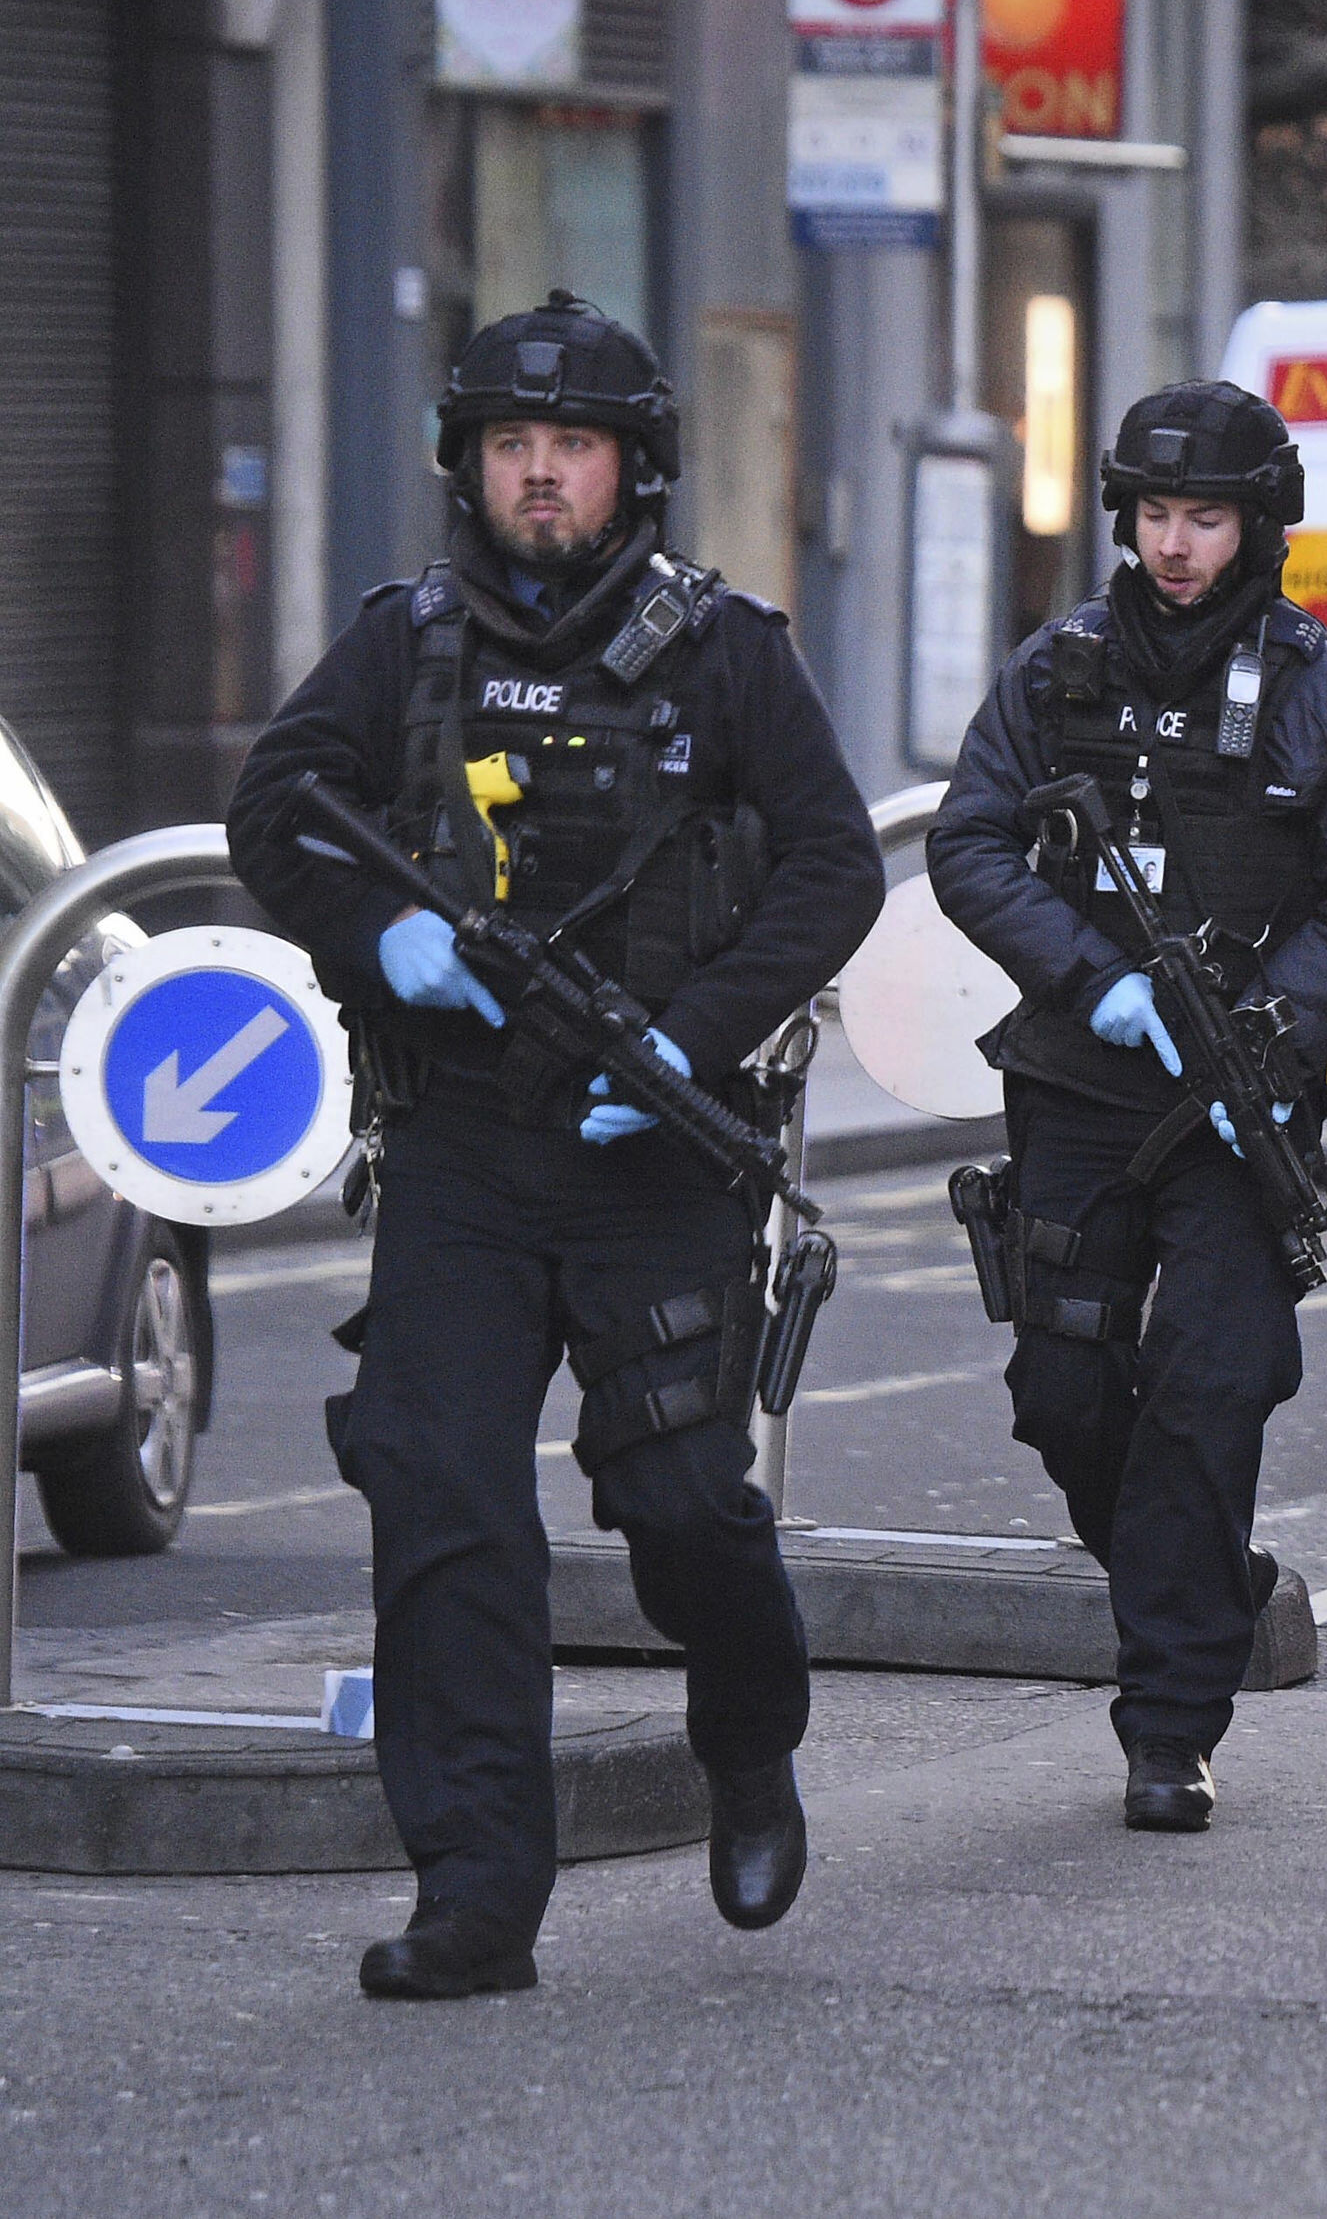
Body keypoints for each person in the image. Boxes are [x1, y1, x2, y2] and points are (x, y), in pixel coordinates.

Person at [227, 293, 884, 1998]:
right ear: (469, 461)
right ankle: (477, 1890)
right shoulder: (406, 643)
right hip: (459, 1148)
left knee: (677, 1503)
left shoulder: (727, 651)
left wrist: (691, 1035)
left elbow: (831, 870)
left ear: (629, 466)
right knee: (440, 1498)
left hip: (653, 1155)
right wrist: (384, 937)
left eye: (569, 448)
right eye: (511, 447)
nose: (538, 474)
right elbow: (279, 808)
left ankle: (748, 1733)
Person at [928, 381, 1327, 1834]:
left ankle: (1169, 1722)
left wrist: (1272, 1025)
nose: (1178, 545)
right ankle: (1201, 1585)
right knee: (1064, 1393)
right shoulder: (1057, 670)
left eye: (1205, 517)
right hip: (1080, 1085)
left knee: (1212, 1392)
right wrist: (1091, 982)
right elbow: (971, 846)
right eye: (1155, 515)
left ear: (1259, 528)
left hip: (1238, 1110)